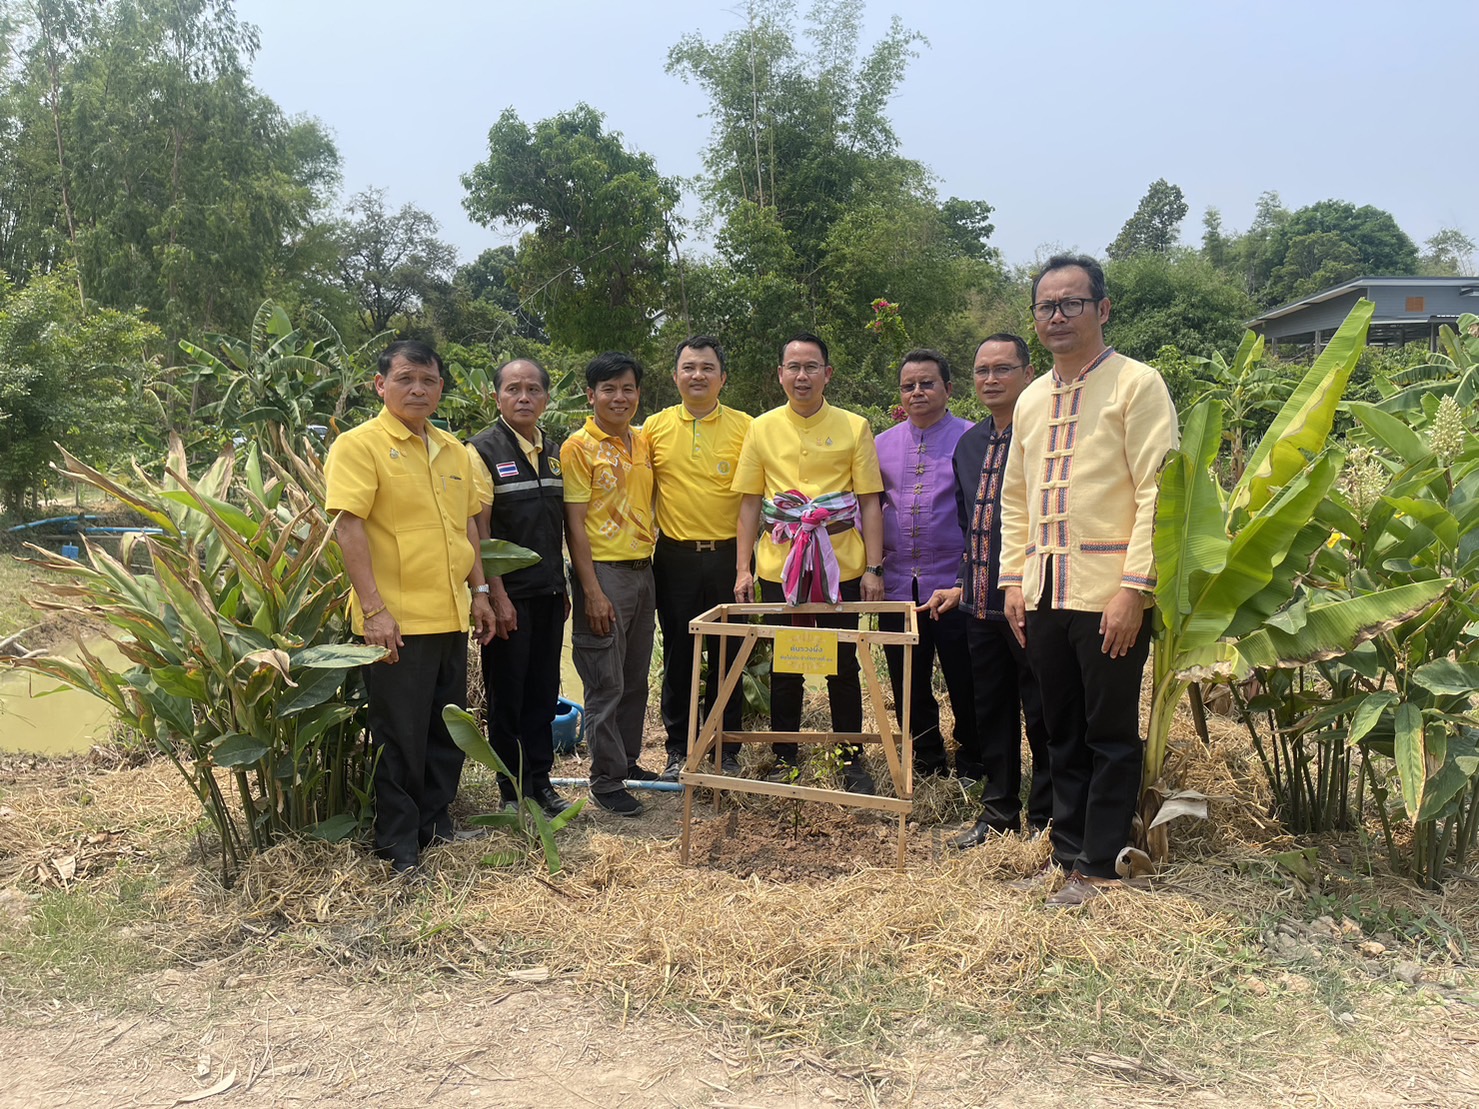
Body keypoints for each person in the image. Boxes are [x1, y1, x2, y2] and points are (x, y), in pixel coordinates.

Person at [999, 255, 1179, 907]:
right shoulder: (1030, 398)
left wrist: (1135, 587)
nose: (1057, 316)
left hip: (1110, 594)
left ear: (1102, 309)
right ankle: (1067, 848)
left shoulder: (1136, 384)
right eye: (1046, 306)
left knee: (1107, 731)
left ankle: (1099, 863)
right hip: (1045, 593)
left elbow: (1159, 491)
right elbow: (1015, 497)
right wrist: (1012, 579)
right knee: (1058, 727)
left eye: (1071, 303)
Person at [324, 339, 496, 873]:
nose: (418, 389)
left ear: (441, 388)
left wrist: (481, 592)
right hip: (395, 621)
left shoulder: (454, 451)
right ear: (381, 385)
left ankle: (435, 825)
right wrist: (373, 610)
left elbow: (467, 525)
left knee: (446, 728)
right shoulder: (360, 446)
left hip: (448, 614)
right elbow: (348, 525)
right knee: (398, 733)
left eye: (428, 380)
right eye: (405, 379)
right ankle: (397, 841)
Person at [732, 332, 885, 795]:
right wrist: (744, 568)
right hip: (781, 563)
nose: (802, 376)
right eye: (793, 367)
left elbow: (870, 502)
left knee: (844, 661)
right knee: (786, 662)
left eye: (812, 366)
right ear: (780, 374)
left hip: (843, 563)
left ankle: (851, 758)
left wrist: (875, 569)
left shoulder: (855, 426)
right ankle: (784, 755)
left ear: (827, 374)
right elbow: (748, 505)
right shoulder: (760, 428)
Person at [921, 334, 1052, 847]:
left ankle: (1045, 817)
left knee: (1041, 714)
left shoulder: (1045, 436)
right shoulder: (969, 444)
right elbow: (968, 528)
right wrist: (959, 585)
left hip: (1035, 604)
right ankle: (997, 814)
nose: (991, 380)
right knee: (990, 712)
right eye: (982, 371)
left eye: (1003, 369)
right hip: (979, 603)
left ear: (1027, 371)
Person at [645, 336, 753, 781]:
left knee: (729, 655)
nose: (698, 376)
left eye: (707, 368)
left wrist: (747, 565)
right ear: (675, 376)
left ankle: (726, 747)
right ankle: (678, 747)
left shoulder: (748, 427)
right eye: (688, 368)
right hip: (675, 557)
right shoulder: (652, 428)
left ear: (723, 378)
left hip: (732, 557)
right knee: (679, 653)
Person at [468, 358, 571, 818]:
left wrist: (563, 585)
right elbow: (480, 530)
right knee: (507, 694)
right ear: (497, 397)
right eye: (513, 389)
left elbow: (558, 527)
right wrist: (496, 595)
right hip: (511, 599)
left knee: (543, 692)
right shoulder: (482, 451)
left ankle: (541, 783)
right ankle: (511, 791)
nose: (524, 397)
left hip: (550, 593)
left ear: (546, 399)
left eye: (533, 389)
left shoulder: (553, 450)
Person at [562, 351, 658, 817]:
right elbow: (575, 526)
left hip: (644, 570)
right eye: (608, 389)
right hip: (603, 573)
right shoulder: (578, 447)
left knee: (636, 678)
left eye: (627, 389)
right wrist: (592, 591)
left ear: (638, 393)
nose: (619, 398)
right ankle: (605, 779)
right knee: (606, 680)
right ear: (590, 395)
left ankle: (630, 761)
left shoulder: (642, 442)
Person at [874, 349, 975, 779]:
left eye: (927, 383)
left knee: (965, 680)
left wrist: (967, 579)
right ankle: (928, 762)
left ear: (948, 389)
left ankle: (974, 761)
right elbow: (868, 509)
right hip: (896, 587)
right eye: (908, 385)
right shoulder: (880, 444)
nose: (917, 392)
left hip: (955, 586)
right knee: (907, 683)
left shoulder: (973, 440)